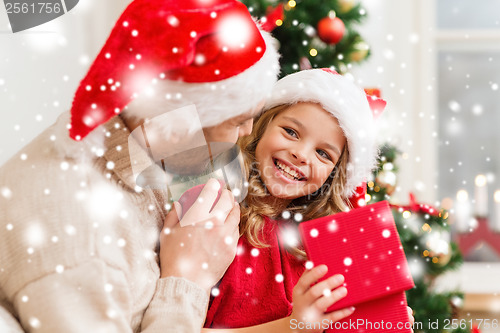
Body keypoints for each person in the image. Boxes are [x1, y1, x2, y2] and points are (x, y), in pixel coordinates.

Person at [0, 0, 279, 332]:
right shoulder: (80, 250)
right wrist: (188, 280)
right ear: (177, 122)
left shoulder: (139, 134)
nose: (248, 131)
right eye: (237, 120)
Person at [202, 69, 413, 332]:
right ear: (261, 127)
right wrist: (293, 327)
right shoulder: (213, 211)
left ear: (334, 175)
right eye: (291, 131)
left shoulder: (334, 246)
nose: (301, 154)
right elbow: (176, 325)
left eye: (323, 153)